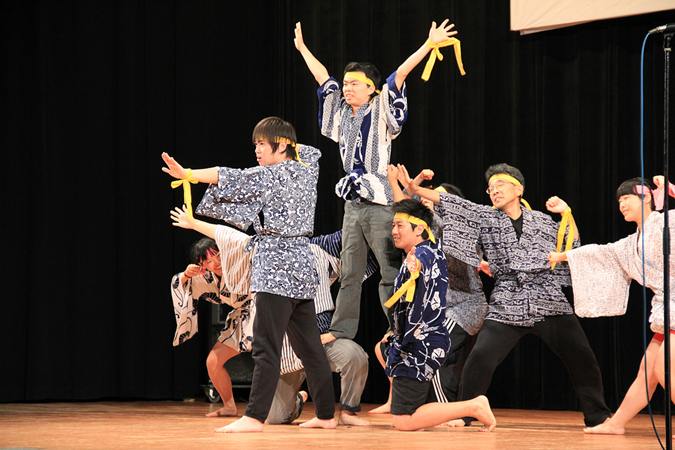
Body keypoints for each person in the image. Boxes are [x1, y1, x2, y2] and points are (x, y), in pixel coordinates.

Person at [397, 162, 611, 428]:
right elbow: (454, 203)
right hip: (508, 299)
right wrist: (415, 189)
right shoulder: (487, 218)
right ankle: (465, 413)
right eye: (490, 188)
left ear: (518, 189)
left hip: (548, 298)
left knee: (582, 357)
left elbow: (571, 246)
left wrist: (567, 213)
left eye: (500, 186)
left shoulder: (543, 221)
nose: (494, 191)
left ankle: (597, 416)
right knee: (480, 358)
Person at [162, 116, 335, 432]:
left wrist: (188, 174)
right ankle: (326, 415)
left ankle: (253, 417)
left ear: (281, 144)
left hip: (275, 268)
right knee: (311, 349)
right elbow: (309, 150)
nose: (256, 149)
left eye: (261, 143)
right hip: (301, 267)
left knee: (266, 346)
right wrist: (286, 144)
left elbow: (226, 176)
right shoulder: (308, 167)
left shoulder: (269, 176)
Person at [293, 19, 460, 345]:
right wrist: (302, 49)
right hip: (353, 203)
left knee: (389, 270)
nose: (348, 87)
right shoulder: (342, 115)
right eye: (347, 83)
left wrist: (428, 46)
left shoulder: (381, 108)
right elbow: (322, 77)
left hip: (382, 201)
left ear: (372, 87)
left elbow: (400, 75)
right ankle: (342, 330)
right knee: (350, 272)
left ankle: (400, 327)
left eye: (355, 83)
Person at [549, 175, 675, 435]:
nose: (622, 205)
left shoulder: (667, 223)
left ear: (646, 197)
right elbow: (601, 252)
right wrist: (562, 256)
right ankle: (616, 423)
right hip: (666, 309)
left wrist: (672, 190)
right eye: (619, 201)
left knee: (664, 369)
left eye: (627, 198)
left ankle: (617, 422)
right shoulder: (632, 242)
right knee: (648, 373)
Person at [369, 166, 488, 414]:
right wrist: (395, 183)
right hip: (436, 310)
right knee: (387, 346)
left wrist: (409, 189)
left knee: (431, 350)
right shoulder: (427, 231)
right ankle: (406, 403)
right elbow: (407, 216)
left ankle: (451, 412)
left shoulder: (456, 231)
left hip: (465, 306)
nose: (428, 198)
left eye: (435, 198)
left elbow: (415, 219)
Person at [382, 198, 496, 431]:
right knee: (405, 417)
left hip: (418, 344)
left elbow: (422, 266)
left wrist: (416, 266)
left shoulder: (423, 255)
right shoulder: (428, 251)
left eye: (400, 225)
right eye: (393, 225)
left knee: (404, 421)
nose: (394, 231)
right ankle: (469, 407)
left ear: (420, 228)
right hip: (416, 341)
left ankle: (473, 407)